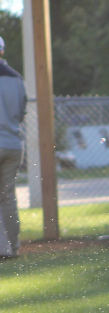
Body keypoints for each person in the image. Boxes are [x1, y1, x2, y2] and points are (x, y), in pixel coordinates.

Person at [0, 35, 26, 259]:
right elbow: (21, 111)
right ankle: (13, 246)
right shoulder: (17, 79)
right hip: (13, 143)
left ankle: (2, 248)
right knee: (7, 196)